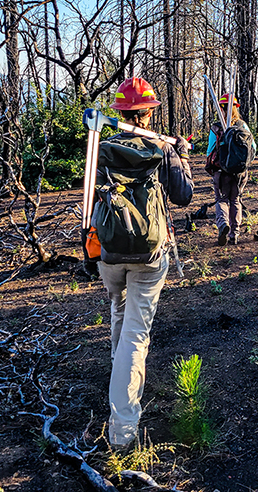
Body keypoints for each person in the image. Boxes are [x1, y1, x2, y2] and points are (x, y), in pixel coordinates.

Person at [96, 77, 193, 450]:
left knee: (119, 310)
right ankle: (122, 431)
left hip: (110, 254)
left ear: (120, 111)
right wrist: (181, 156)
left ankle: (119, 377)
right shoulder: (161, 148)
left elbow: (92, 201)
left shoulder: (102, 147)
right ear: (149, 112)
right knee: (137, 334)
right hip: (151, 254)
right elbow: (183, 197)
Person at [206, 93, 255, 246]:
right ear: (235, 108)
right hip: (240, 172)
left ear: (221, 107)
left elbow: (210, 151)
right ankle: (235, 234)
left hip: (222, 172)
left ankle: (223, 225)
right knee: (235, 200)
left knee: (221, 199)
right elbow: (253, 148)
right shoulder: (242, 126)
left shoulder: (216, 128)